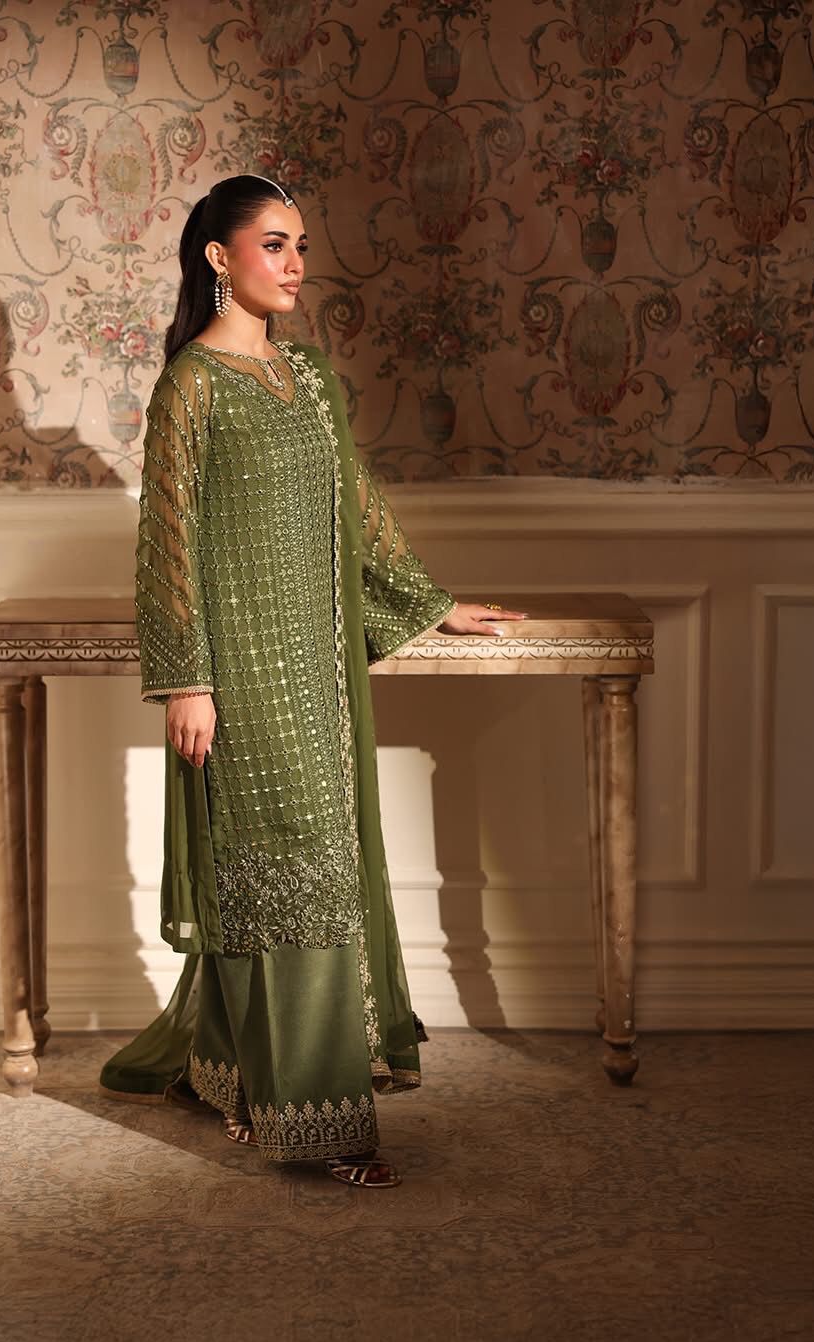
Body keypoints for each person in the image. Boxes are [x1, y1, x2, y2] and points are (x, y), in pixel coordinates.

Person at [99, 173, 526, 1187]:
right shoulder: (192, 386)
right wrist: (187, 680)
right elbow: (167, 540)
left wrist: (431, 600)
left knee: (317, 871)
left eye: (300, 248)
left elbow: (360, 508)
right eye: (274, 246)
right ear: (220, 257)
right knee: (275, 878)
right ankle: (315, 1120)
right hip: (238, 674)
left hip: (324, 676)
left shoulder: (313, 382)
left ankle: (239, 1072)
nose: (294, 266)